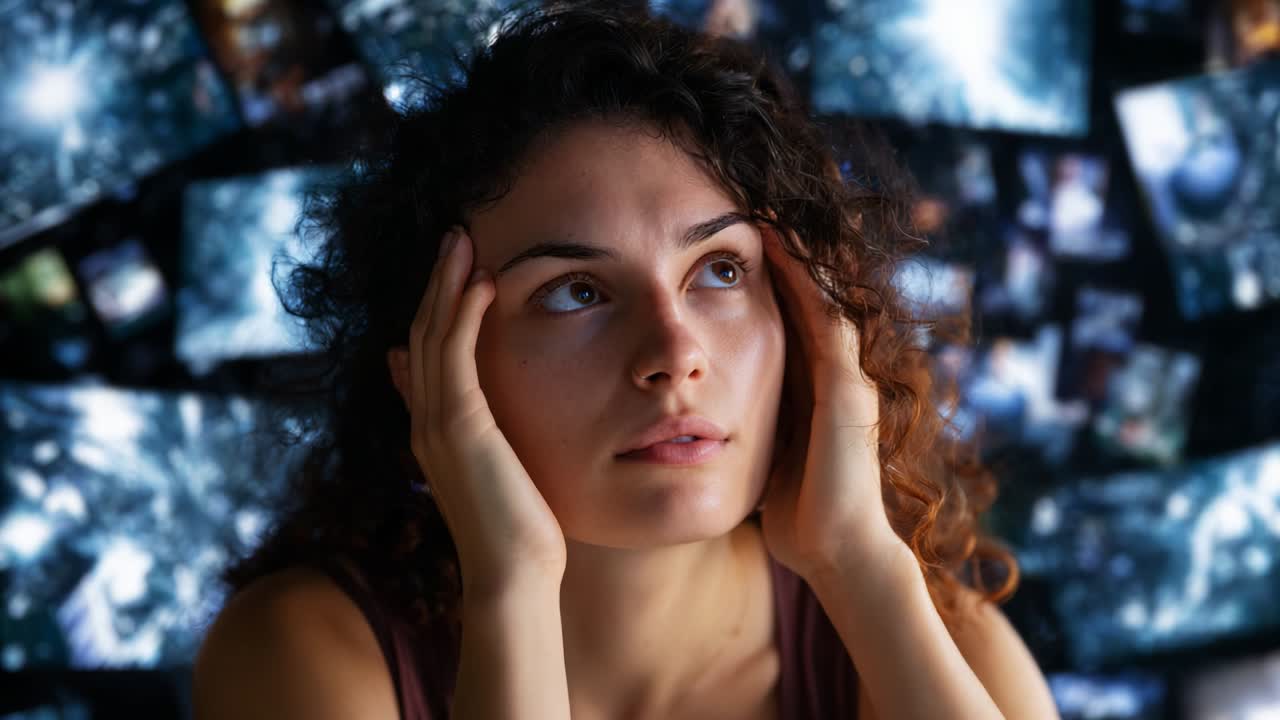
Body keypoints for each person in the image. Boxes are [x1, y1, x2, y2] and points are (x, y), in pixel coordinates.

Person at [191, 2, 1059, 718]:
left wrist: (856, 563)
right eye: (576, 291)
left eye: (721, 271)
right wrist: (512, 587)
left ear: (812, 321)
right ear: (429, 369)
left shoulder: (937, 649)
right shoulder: (304, 656)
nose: (674, 355)